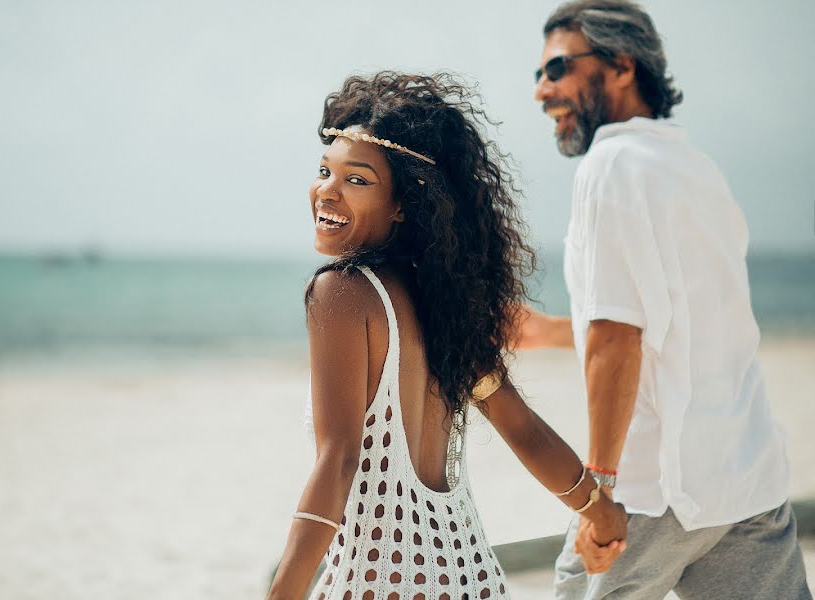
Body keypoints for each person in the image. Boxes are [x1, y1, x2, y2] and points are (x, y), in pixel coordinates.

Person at [266, 72, 627, 600]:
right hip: (469, 578)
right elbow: (522, 429)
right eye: (325, 171)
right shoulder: (441, 305)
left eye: (357, 180)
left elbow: (339, 458)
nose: (328, 190)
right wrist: (601, 511)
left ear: (403, 206)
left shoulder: (339, 294)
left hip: (379, 584)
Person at [521, 1, 812, 598]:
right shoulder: (696, 168)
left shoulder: (610, 165)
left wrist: (597, 491)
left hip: (652, 493)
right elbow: (685, 321)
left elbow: (616, 334)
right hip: (746, 481)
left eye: (556, 70)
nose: (541, 93)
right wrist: (549, 330)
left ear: (622, 66)